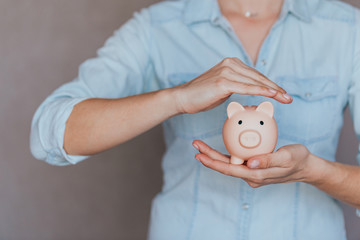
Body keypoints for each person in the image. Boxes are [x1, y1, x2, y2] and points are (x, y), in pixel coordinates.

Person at [30, 0, 360, 239]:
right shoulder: (157, 29)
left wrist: (314, 171)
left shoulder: (348, 30)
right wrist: (177, 97)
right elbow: (49, 135)